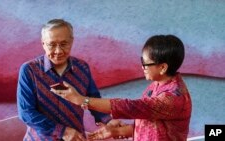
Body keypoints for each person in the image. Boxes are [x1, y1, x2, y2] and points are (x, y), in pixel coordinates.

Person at [52, 35, 192, 141]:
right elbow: (150, 124)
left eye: (145, 63)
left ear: (162, 67)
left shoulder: (172, 98)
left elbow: (130, 107)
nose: (142, 67)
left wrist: (82, 100)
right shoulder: (157, 85)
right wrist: (115, 132)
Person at [17, 19, 120, 141]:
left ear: (72, 41)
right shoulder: (29, 70)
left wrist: (108, 121)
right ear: (43, 43)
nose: (58, 51)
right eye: (52, 44)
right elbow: (26, 113)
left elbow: (92, 101)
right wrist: (63, 131)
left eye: (64, 44)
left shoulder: (82, 68)